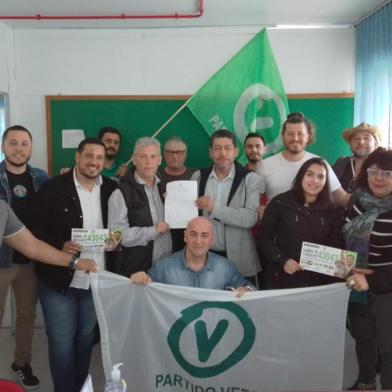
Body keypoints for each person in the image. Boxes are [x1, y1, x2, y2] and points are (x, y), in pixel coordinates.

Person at [29, 138, 116, 392]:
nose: (94, 162)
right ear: (77, 157)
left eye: (99, 157)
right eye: (89, 156)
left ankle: (80, 388)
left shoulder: (111, 188)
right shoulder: (53, 188)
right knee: (61, 341)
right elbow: (33, 229)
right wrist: (59, 244)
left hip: (95, 278)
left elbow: (119, 226)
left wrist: (115, 239)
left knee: (86, 338)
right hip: (58, 278)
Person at [0, 125, 49, 389]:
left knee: (27, 316)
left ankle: (21, 363)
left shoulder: (41, 177)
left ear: (31, 147)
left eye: (24, 143)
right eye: (13, 143)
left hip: (30, 260)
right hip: (0, 261)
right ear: (3, 146)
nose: (19, 148)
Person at [343, 147, 392, 390]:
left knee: (389, 346)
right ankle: (365, 383)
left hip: (386, 289)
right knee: (363, 339)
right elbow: (341, 237)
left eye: (387, 172)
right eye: (374, 171)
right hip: (355, 285)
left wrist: (372, 281)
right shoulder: (356, 201)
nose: (379, 177)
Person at [258, 157, 343, 289]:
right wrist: (282, 259)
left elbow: (337, 246)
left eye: (320, 177)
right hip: (282, 279)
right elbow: (264, 239)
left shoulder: (332, 211)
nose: (315, 181)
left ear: (326, 182)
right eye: (309, 174)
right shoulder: (280, 202)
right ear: (301, 176)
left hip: (318, 284)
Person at [191, 129, 261, 284]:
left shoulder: (250, 179)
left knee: (243, 305)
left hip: (240, 259)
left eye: (227, 148)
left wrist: (214, 208)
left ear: (236, 152)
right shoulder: (198, 177)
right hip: (205, 257)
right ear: (210, 152)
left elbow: (250, 218)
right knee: (208, 304)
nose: (223, 153)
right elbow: (189, 214)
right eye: (217, 148)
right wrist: (174, 200)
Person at [130, 217, 254, 297]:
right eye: (193, 235)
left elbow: (248, 288)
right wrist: (141, 278)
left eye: (204, 235)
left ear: (212, 240)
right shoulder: (164, 267)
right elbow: (145, 292)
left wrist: (247, 292)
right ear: (185, 237)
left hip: (213, 333)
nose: (198, 241)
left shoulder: (224, 267)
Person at [108, 137, 172, 277]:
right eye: (143, 156)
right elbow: (115, 237)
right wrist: (153, 231)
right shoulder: (121, 192)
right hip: (135, 271)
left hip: (166, 267)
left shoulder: (167, 188)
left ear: (160, 160)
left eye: (153, 156)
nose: (149, 162)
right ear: (134, 159)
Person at [259, 112, 348, 206]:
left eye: (300, 134)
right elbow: (256, 201)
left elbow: (343, 198)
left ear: (307, 137)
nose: (295, 138)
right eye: (290, 134)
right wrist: (260, 210)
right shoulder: (265, 165)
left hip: (312, 219)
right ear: (283, 136)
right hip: (275, 219)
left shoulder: (321, 164)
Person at [158, 137, 196, 252]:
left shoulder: (197, 175)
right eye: (170, 152)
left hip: (190, 235)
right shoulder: (155, 175)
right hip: (162, 234)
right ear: (164, 154)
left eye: (179, 152)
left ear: (186, 154)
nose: (175, 156)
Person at [333, 122, 380, 193]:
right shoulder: (341, 162)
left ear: (376, 144)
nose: (361, 142)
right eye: (356, 138)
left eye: (366, 138)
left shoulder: (383, 166)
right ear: (350, 144)